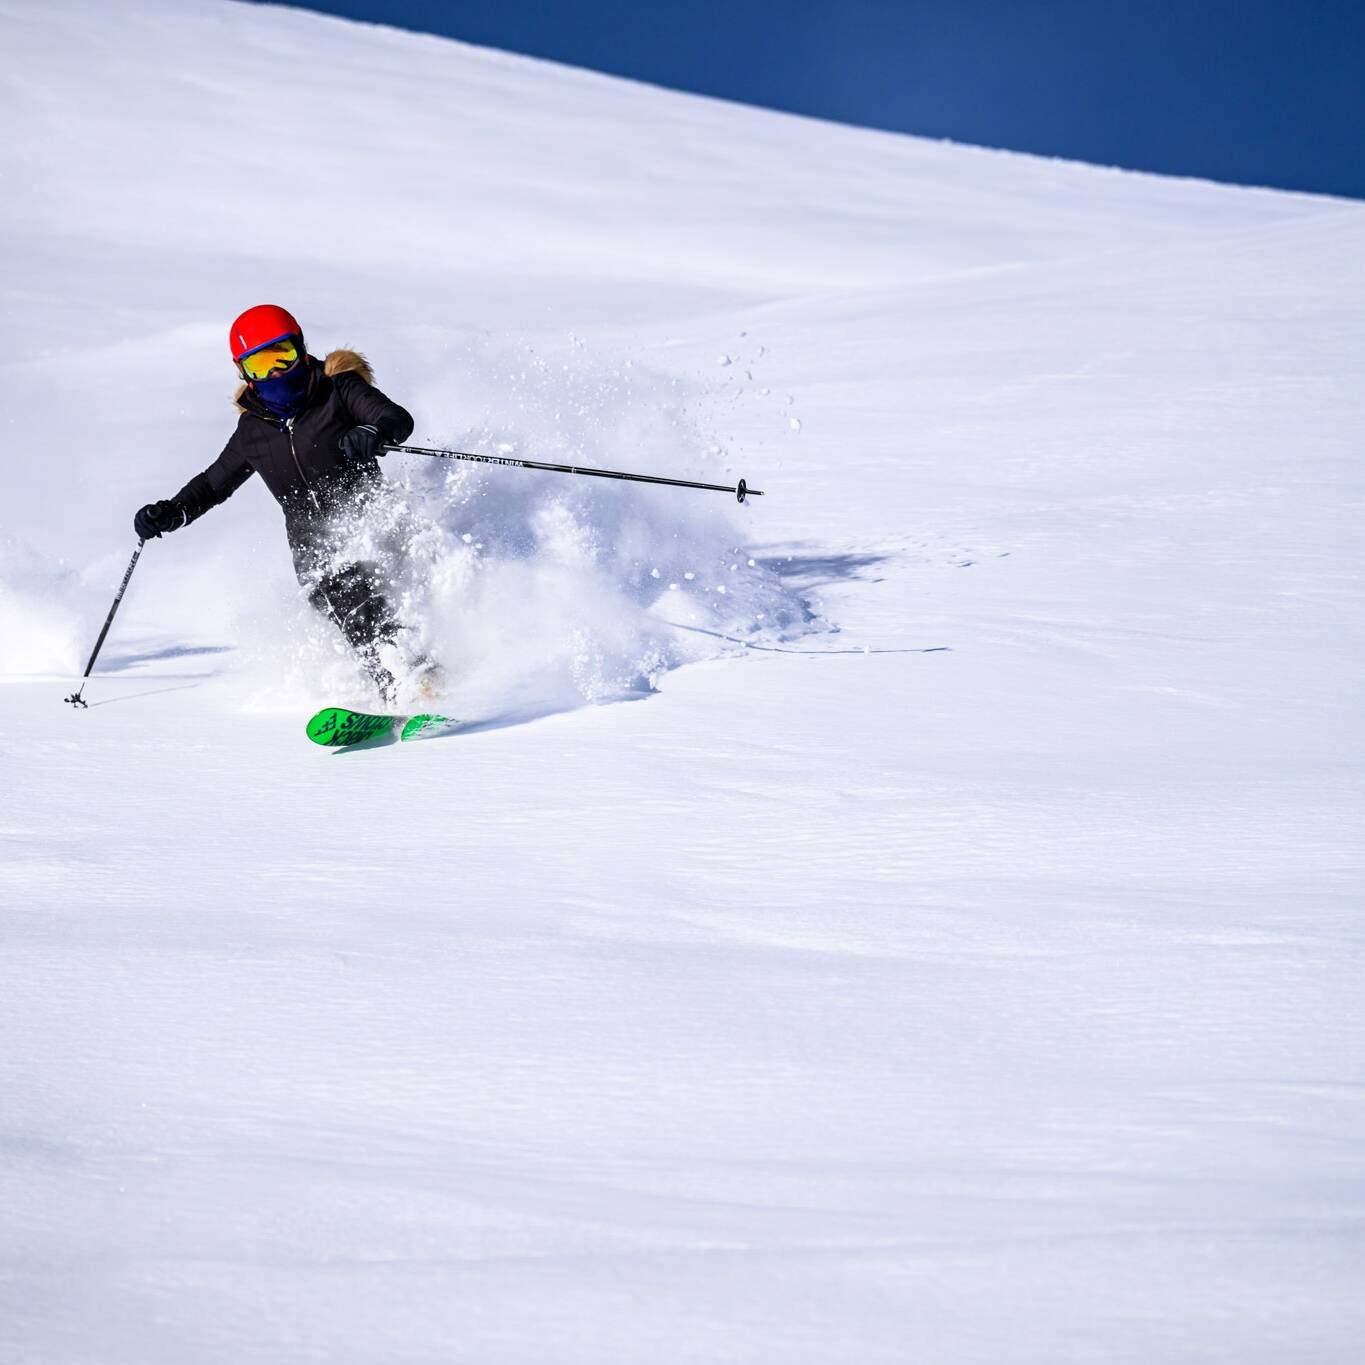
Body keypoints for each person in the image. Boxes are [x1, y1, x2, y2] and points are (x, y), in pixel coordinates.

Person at [134, 304, 435, 701]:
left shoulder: (339, 391)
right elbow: (213, 483)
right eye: (260, 365)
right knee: (341, 605)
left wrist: (372, 430)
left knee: (359, 595)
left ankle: (411, 683)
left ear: (300, 347)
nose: (275, 372)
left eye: (282, 356)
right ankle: (401, 680)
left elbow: (395, 418)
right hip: (312, 554)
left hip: (370, 527)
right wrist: (173, 512)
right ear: (243, 371)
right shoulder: (253, 430)